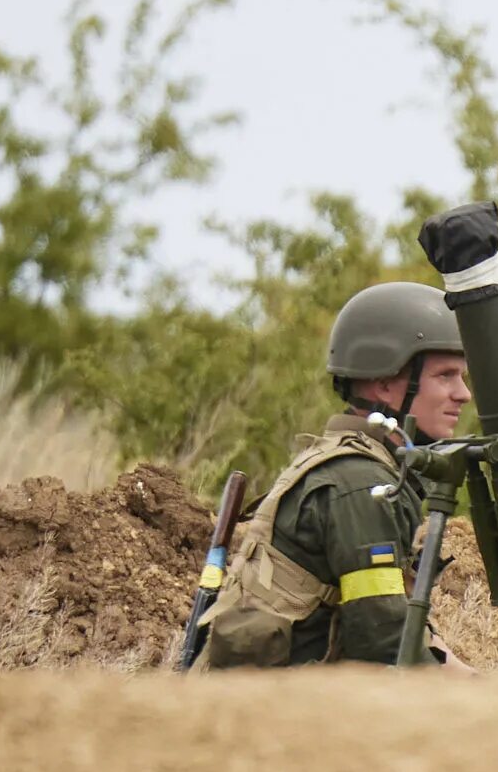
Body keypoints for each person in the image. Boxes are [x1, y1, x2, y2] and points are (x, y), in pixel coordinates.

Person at [191, 281, 471, 670]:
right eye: (446, 376)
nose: (463, 394)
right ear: (387, 383)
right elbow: (383, 641)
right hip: (268, 713)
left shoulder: (357, 463)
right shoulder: (361, 483)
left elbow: (395, 626)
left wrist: (465, 675)